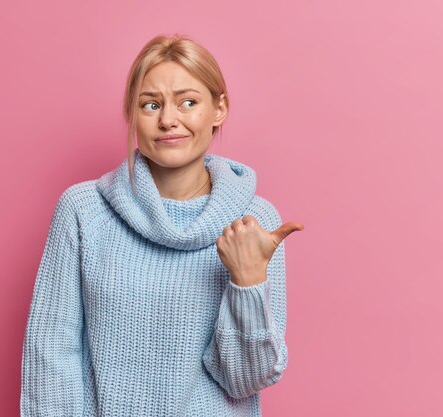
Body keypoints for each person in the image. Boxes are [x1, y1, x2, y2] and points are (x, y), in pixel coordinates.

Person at [19, 34, 304, 416]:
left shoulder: (253, 222)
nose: (169, 120)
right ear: (132, 114)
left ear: (218, 109)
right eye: (151, 105)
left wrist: (248, 278)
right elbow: (50, 353)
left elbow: (245, 380)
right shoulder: (84, 211)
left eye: (189, 102)